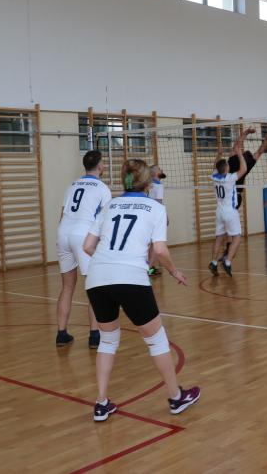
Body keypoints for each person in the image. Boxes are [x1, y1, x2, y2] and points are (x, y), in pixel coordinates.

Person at [82, 159, 199, 422]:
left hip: (97, 278)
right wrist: (174, 271)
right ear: (148, 183)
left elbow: (87, 246)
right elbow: (159, 250)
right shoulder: (156, 208)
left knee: (108, 340)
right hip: (131, 278)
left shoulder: (109, 205)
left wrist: (108, 261)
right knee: (157, 340)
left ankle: (101, 403)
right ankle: (176, 397)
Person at [55, 150, 111, 348]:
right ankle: (94, 336)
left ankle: (61, 334)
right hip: (83, 235)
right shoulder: (102, 188)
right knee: (93, 286)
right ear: (100, 166)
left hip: (63, 233)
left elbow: (63, 214)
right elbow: (105, 221)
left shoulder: (72, 185)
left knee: (67, 287)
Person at [217, 128, 267, 262]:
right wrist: (266, 141)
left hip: (230, 196)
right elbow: (259, 151)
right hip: (234, 196)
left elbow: (238, 143)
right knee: (228, 225)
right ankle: (228, 251)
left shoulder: (234, 158)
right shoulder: (246, 164)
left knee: (227, 224)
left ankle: (228, 251)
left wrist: (246, 133)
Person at [209, 147, 248, 276]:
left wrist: (219, 154)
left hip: (219, 211)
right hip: (230, 212)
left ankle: (213, 263)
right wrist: (240, 154)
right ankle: (227, 262)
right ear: (226, 168)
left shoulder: (214, 176)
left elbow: (216, 166)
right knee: (237, 238)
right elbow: (244, 169)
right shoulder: (230, 178)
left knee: (219, 238)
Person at [147, 164, 166, 276]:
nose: (161, 169)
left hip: (148, 215)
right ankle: (148, 268)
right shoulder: (159, 186)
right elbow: (159, 203)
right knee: (155, 244)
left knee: (150, 243)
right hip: (155, 217)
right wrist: (165, 216)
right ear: (155, 173)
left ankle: (151, 267)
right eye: (159, 169)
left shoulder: (149, 185)